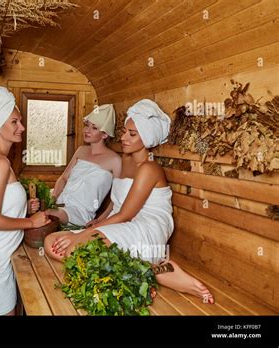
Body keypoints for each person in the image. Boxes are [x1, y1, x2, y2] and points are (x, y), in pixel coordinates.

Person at [44, 99, 214, 304]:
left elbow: (126, 214)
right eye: (125, 131)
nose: (123, 137)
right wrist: (99, 221)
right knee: (50, 243)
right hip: (125, 222)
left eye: (132, 134)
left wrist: (85, 234)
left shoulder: (149, 169)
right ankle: (150, 271)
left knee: (74, 248)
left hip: (147, 227)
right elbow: (117, 203)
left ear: (147, 139)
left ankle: (157, 270)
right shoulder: (125, 161)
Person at [0, 84, 50, 316]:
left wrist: (25, 209)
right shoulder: (0, 163)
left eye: (20, 121)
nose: (21, 127)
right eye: (14, 122)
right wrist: (32, 223)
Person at [46, 104, 122, 226]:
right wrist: (53, 198)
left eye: (94, 128)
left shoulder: (115, 161)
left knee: (48, 214)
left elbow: (117, 199)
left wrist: (100, 220)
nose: (87, 130)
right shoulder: (81, 150)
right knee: (32, 204)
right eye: (87, 125)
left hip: (79, 212)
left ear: (105, 134)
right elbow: (64, 178)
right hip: (60, 202)